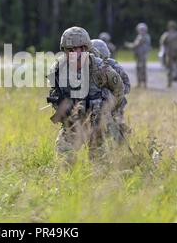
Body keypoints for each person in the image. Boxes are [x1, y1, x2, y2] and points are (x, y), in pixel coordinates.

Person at [47, 27, 124, 164]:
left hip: (97, 124)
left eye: (80, 48)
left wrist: (108, 109)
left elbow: (118, 89)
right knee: (64, 159)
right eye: (71, 49)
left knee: (99, 164)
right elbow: (54, 92)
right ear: (65, 50)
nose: (76, 53)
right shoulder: (58, 69)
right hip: (72, 124)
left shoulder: (100, 68)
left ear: (86, 48)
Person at [91, 39, 131, 143]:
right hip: (97, 104)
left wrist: (112, 94)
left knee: (116, 126)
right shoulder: (90, 66)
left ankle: (119, 143)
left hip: (115, 102)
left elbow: (126, 86)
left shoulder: (114, 66)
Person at [125, 23, 151, 88]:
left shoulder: (142, 37)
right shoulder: (146, 36)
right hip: (141, 55)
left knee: (141, 69)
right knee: (141, 69)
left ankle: (141, 83)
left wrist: (128, 45)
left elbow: (136, 45)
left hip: (141, 55)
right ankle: (142, 83)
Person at [162, 21, 177, 87]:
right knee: (169, 70)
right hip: (170, 54)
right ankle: (169, 83)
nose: (172, 28)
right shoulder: (167, 35)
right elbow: (163, 43)